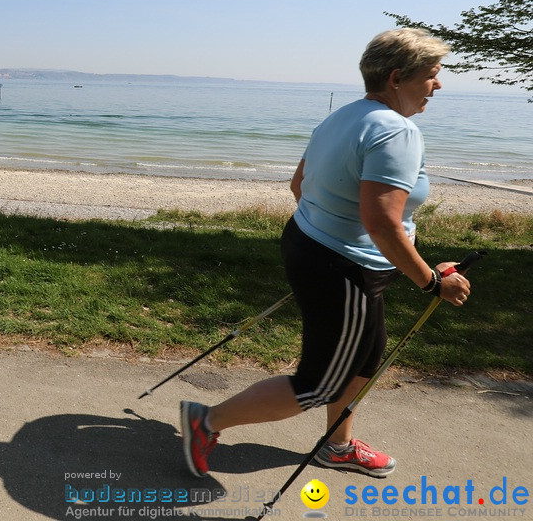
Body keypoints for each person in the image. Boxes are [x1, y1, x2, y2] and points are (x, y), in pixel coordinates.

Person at [180, 28, 472, 479]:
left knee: (366, 357)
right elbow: (381, 222)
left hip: (313, 245)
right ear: (396, 77)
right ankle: (206, 422)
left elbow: (300, 186)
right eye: (433, 75)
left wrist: (329, 233)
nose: (439, 84)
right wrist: (432, 282)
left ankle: (336, 445)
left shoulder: (345, 116)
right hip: (342, 268)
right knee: (317, 384)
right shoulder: (397, 131)